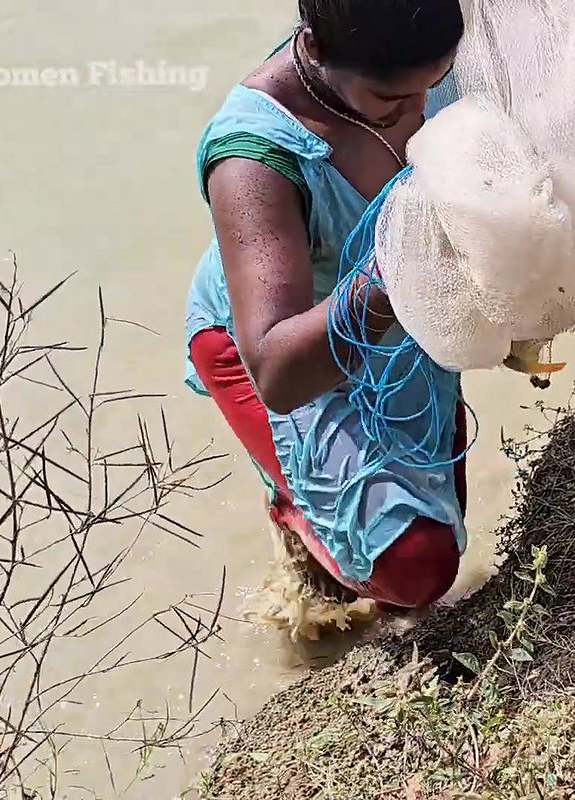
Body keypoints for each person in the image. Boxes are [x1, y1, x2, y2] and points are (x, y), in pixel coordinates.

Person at [182, 0, 468, 612]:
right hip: (273, 347)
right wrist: (400, 268)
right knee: (413, 565)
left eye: (434, 84)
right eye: (390, 101)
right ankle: (292, 511)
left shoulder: (407, 46)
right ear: (312, 49)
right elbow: (280, 375)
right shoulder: (253, 160)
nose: (418, 113)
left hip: (389, 311)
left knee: (440, 514)